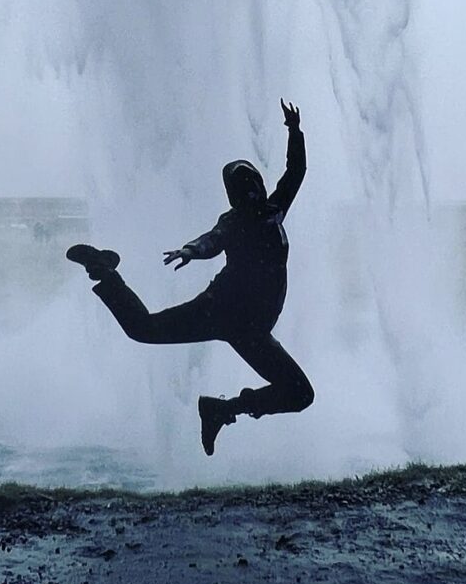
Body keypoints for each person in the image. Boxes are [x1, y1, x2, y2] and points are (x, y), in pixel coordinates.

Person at [66, 99, 313, 456]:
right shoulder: (234, 222)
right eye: (242, 186)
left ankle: (220, 410)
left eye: (253, 181)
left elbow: (295, 172)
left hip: (253, 330)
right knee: (143, 329)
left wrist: (294, 131)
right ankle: (104, 271)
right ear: (235, 195)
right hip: (221, 312)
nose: (252, 189)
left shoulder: (275, 211)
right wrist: (190, 250)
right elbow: (212, 240)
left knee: (300, 393)